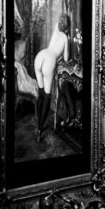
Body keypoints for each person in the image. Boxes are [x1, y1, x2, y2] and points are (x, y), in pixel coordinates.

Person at [34, 13, 70, 141]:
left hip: (41, 55)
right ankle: (40, 130)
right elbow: (66, 58)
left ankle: (38, 120)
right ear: (68, 27)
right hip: (50, 60)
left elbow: (57, 25)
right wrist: (67, 40)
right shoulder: (65, 38)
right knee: (47, 95)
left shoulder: (56, 31)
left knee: (41, 92)